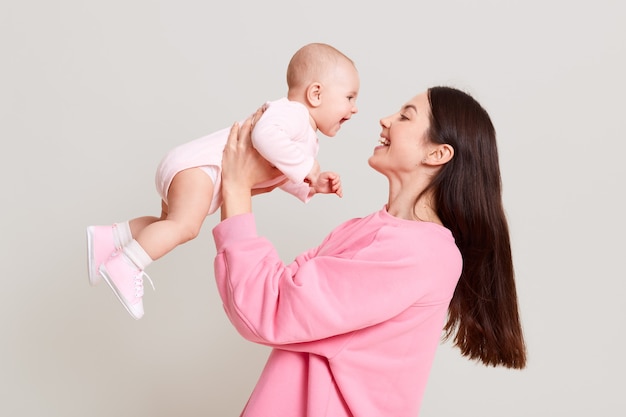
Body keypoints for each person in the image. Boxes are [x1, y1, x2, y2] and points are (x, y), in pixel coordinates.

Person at [213, 86, 527, 416]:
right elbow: (274, 296)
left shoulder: (422, 253)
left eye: (405, 116)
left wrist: (237, 187)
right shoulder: (365, 229)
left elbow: (267, 307)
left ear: (437, 154)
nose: (385, 120)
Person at [86, 43, 360, 319]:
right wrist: (307, 167)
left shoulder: (303, 136)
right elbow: (264, 135)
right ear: (315, 94)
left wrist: (310, 183)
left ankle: (110, 238)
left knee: (167, 226)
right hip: (200, 169)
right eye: (349, 97)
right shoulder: (294, 115)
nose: (355, 108)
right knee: (185, 227)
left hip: (191, 167)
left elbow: (276, 169)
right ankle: (127, 264)